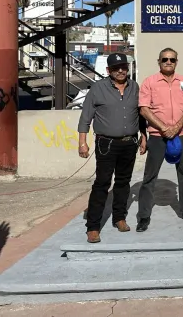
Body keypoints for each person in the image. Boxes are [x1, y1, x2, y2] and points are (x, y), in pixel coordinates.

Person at [77, 53, 145, 244]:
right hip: (106, 144)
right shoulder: (98, 89)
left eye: (124, 67)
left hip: (129, 142)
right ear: (109, 71)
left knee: (123, 183)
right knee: (102, 183)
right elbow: (85, 117)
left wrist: (144, 136)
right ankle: (93, 227)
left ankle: (119, 218)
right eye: (116, 68)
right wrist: (82, 142)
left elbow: (140, 115)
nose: (121, 71)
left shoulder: (135, 87)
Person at [136, 47, 183, 232]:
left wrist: (177, 127)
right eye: (165, 59)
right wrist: (164, 128)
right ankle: (144, 216)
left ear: (176, 62)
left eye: (172, 59)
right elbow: (144, 109)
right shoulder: (149, 82)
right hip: (157, 137)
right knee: (150, 176)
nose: (168, 62)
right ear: (159, 62)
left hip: (182, 135)